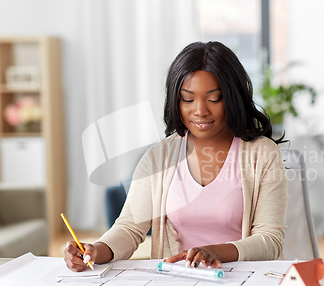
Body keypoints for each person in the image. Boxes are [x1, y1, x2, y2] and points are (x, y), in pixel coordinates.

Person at [64, 41, 288, 272]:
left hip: (245, 280)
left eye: (214, 99)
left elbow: (270, 240)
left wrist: (215, 252)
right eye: (188, 99)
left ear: (232, 97)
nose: (200, 110)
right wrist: (95, 251)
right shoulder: (159, 156)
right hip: (179, 281)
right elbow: (130, 228)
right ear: (175, 100)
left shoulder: (262, 153)